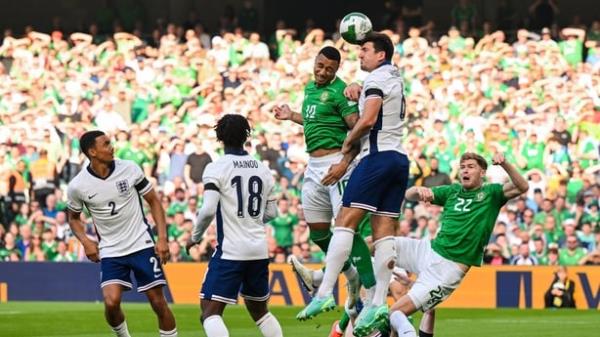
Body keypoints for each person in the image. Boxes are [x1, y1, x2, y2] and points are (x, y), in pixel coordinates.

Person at [297, 32, 410, 337]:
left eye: (365, 50)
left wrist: (347, 147)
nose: (360, 55)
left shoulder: (375, 79)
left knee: (345, 223)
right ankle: (376, 303)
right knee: (384, 232)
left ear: (381, 55)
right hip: (399, 159)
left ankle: (323, 292)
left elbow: (369, 118)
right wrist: (359, 90)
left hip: (376, 158)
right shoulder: (394, 78)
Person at [273, 46, 375, 313]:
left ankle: (372, 294)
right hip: (313, 166)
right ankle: (351, 276)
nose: (322, 71)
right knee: (318, 232)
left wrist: (344, 164)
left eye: (329, 69)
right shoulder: (309, 89)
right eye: (320, 66)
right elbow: (315, 121)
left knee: (346, 229)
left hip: (336, 165)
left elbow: (357, 129)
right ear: (314, 63)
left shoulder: (342, 93)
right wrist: (291, 115)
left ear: (336, 70)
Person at [389, 152, 528, 337]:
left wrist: (505, 164)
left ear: (482, 172)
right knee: (376, 244)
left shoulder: (491, 193)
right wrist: (417, 191)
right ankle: (361, 295)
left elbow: (522, 186)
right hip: (428, 249)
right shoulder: (452, 191)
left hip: (448, 268)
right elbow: (409, 195)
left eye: (471, 166)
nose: (465, 170)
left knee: (395, 314)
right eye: (462, 167)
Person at [67, 130, 177, 337]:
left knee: (158, 302)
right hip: (110, 249)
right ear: (92, 151)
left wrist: (162, 238)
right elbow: (73, 218)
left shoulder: (130, 169)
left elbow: (154, 201)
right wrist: (85, 241)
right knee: (111, 302)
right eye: (106, 144)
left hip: (141, 243)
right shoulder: (78, 185)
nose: (112, 147)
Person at [185, 114, 283, 337]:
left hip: (231, 251)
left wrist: (196, 235)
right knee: (260, 311)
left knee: (209, 312)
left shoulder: (216, 167)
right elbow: (272, 212)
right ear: (246, 136)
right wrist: (250, 221)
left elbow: (209, 209)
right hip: (258, 250)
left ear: (219, 137)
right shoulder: (263, 169)